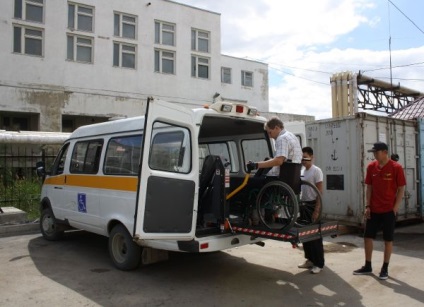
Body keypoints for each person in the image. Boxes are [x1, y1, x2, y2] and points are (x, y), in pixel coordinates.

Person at [353, 142, 406, 280]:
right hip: (373, 210)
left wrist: (395, 208)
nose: (374, 155)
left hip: (388, 210)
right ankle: (368, 265)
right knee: (367, 237)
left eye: (376, 152)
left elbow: (401, 189)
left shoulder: (396, 167)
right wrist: (367, 206)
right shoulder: (372, 167)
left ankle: (385, 268)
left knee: (388, 240)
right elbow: (369, 187)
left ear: (384, 152)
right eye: (374, 152)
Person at [297, 146, 325, 274]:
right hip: (304, 205)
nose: (304, 160)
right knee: (305, 234)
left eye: (306, 158)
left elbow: (320, 191)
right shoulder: (302, 171)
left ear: (312, 157)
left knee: (315, 236)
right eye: (302, 158)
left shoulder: (316, 171)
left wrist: (317, 210)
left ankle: (319, 263)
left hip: (313, 205)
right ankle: (309, 259)